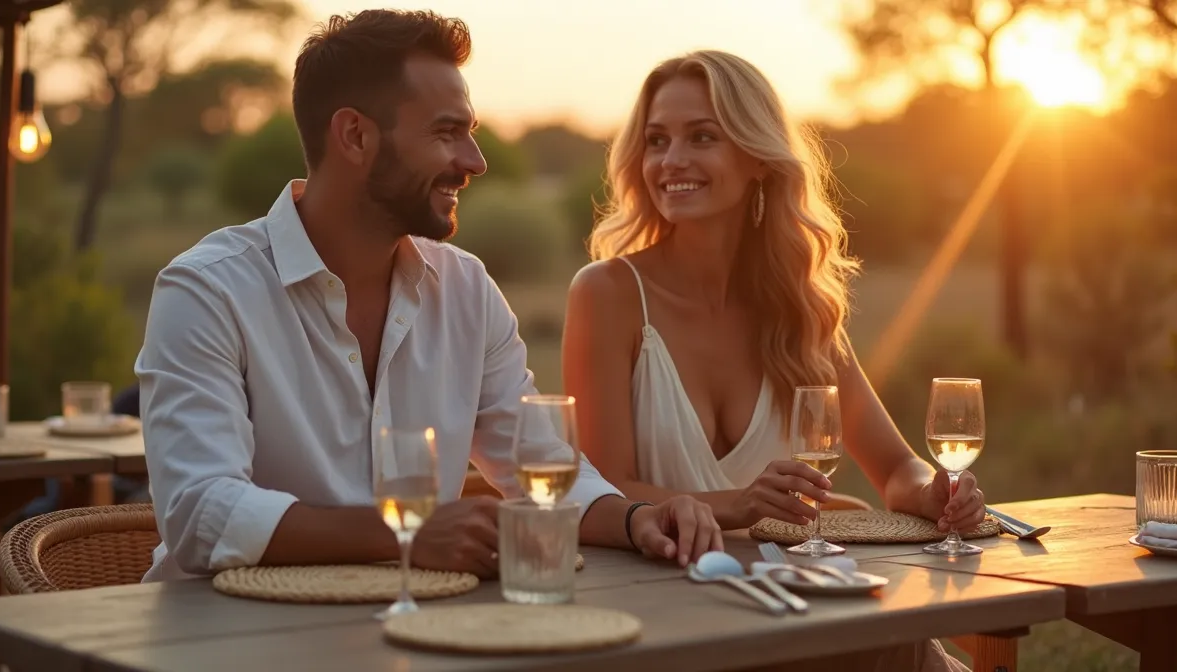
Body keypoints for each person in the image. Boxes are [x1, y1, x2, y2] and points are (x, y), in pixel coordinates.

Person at [134, 9, 721, 583]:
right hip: (216, 641)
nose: (475, 160)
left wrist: (640, 518)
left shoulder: (467, 290)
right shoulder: (208, 291)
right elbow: (200, 515)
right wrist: (409, 533)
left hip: (411, 636)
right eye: (447, 132)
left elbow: (539, 467)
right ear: (355, 135)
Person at [561, 50, 979, 671]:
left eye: (702, 136)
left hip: (795, 603)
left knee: (892, 635)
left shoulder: (799, 308)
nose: (671, 161)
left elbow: (894, 467)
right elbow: (604, 487)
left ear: (758, 158)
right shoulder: (609, 294)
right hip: (663, 617)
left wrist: (935, 491)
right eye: (656, 140)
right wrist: (741, 504)